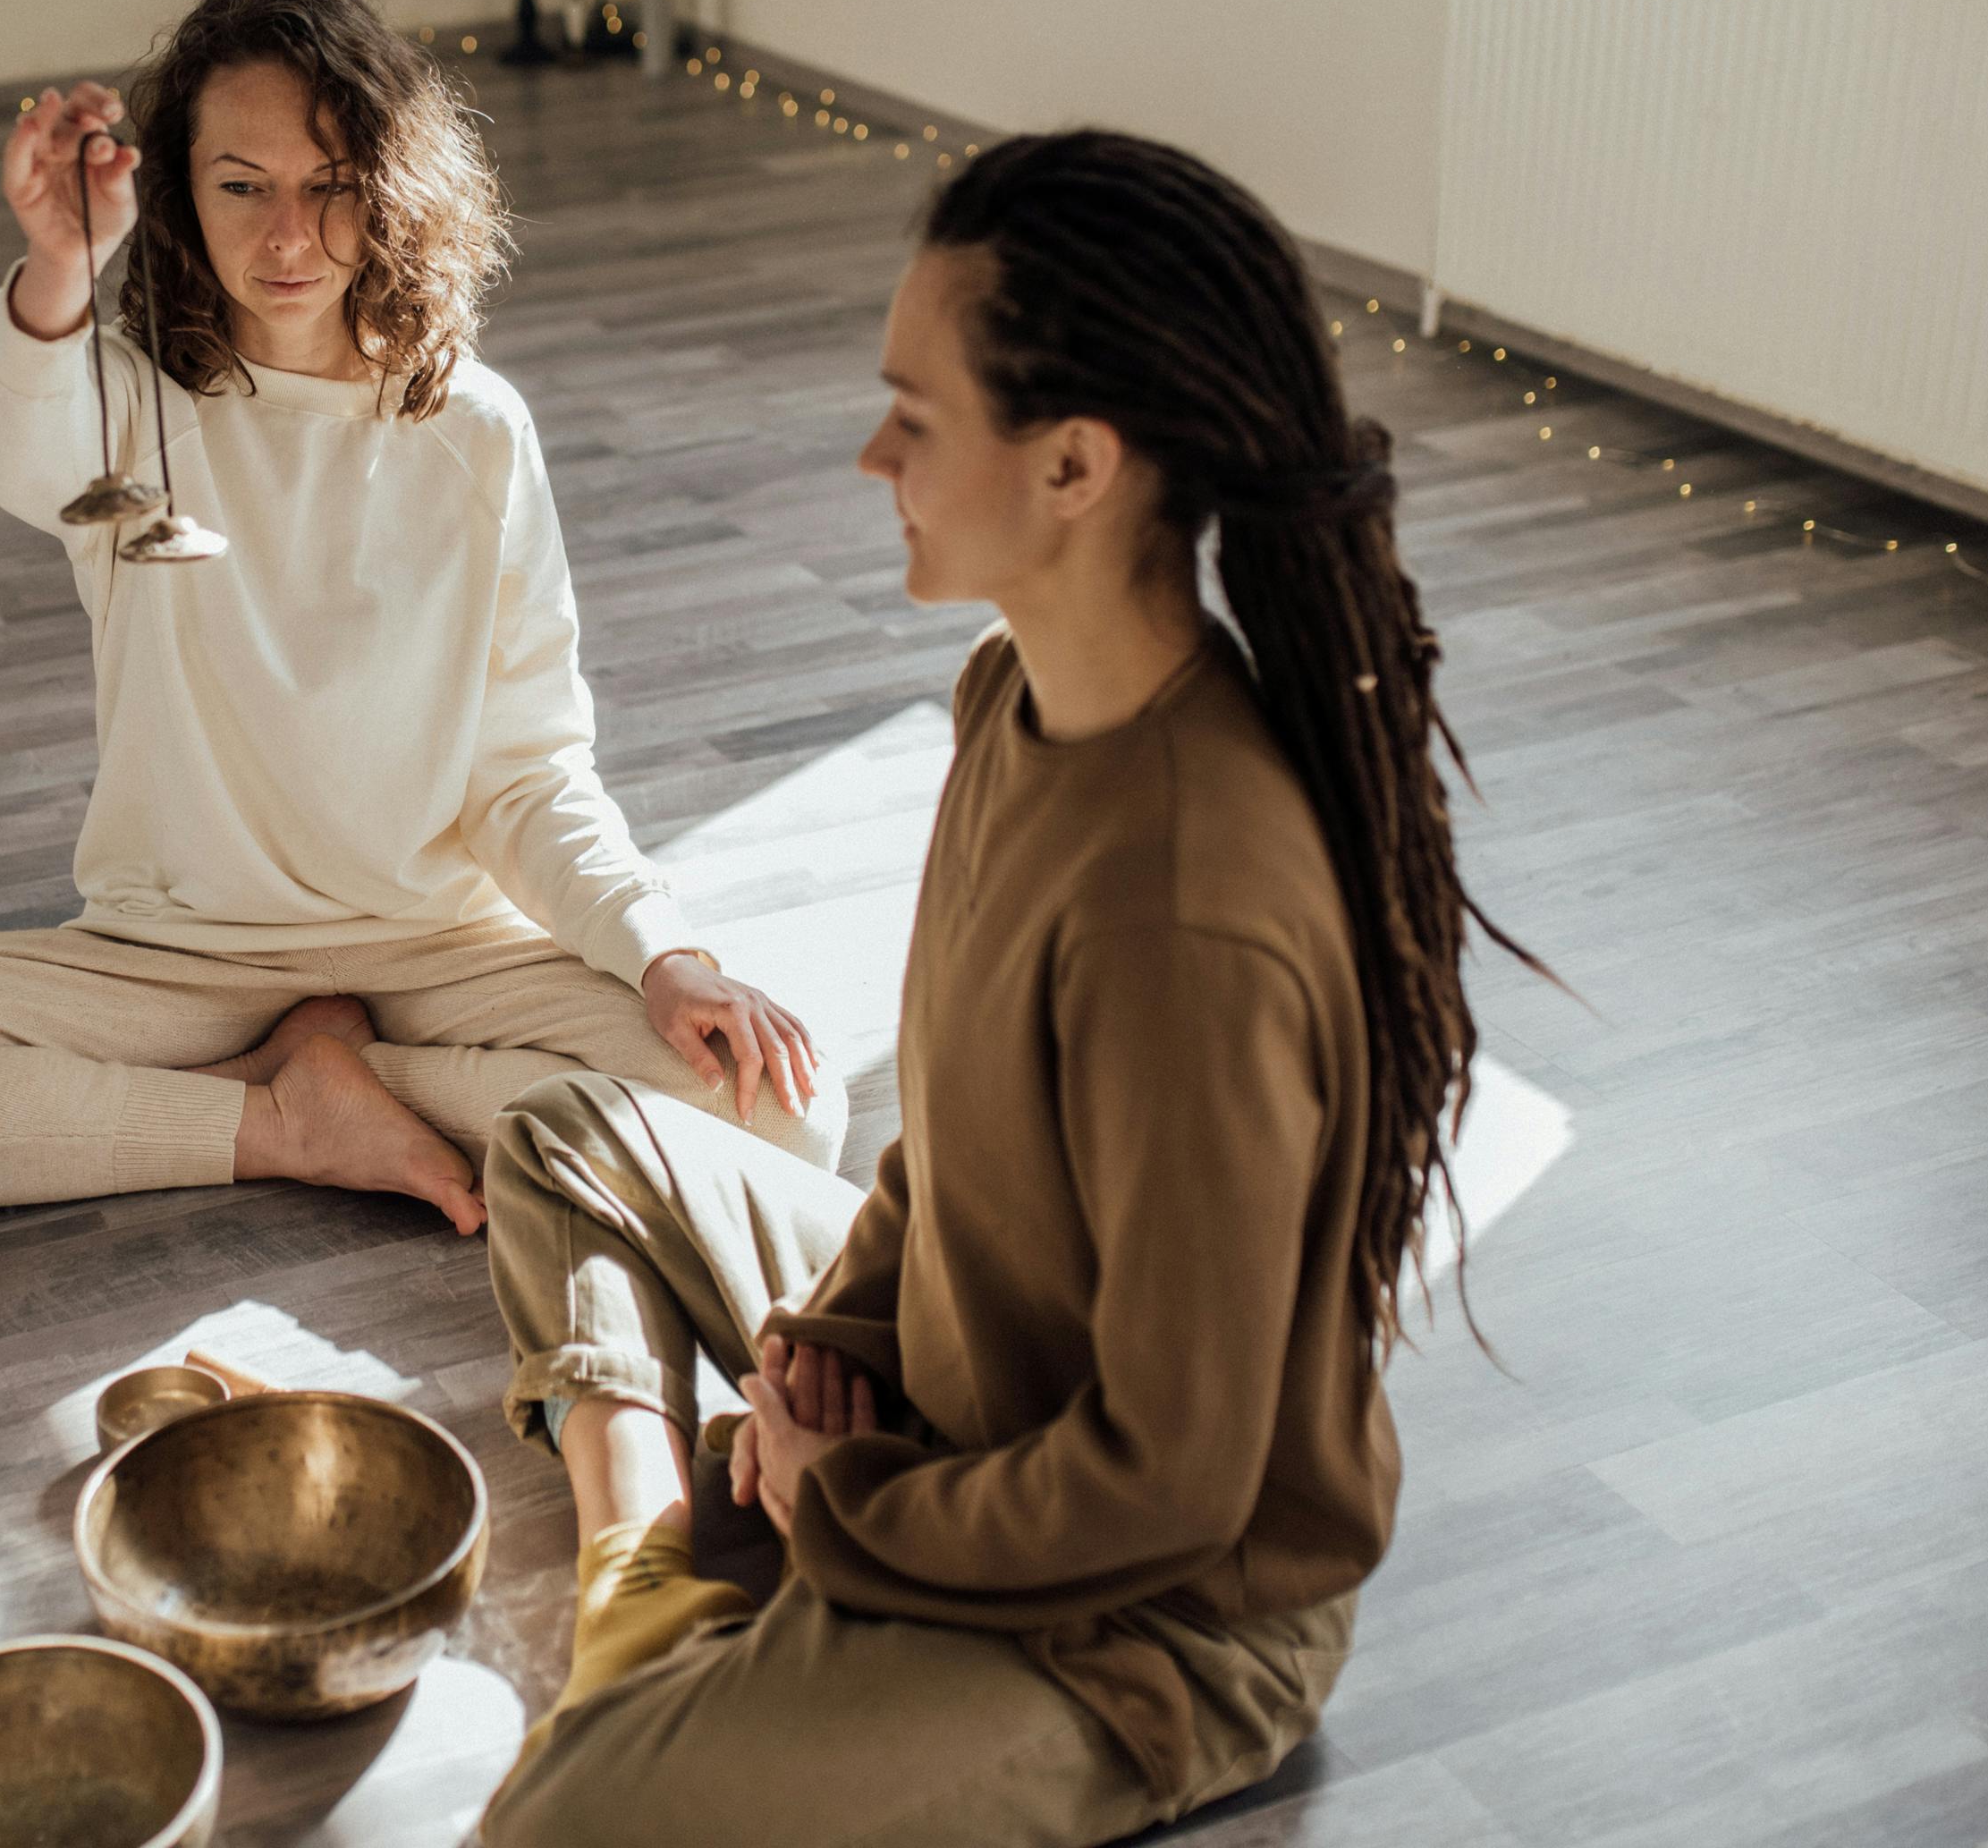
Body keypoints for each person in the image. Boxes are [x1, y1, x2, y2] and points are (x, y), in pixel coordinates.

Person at [481, 128, 1532, 1844]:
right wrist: (830, 1343)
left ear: (1073, 469)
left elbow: (1169, 1485)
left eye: (918, 413)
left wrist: (849, 1502)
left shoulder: (1185, 910)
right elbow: (953, 1150)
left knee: (559, 1828)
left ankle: (699, 1630)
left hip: (1149, 1621)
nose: (872, 449)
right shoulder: (1010, 697)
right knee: (571, 1141)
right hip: (962, 1398)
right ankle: (647, 1591)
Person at [0, 0, 840, 1233]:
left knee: (789, 1110)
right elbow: (10, 445)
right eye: (242, 186)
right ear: (182, 195)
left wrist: (659, 951)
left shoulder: (476, 433)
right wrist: (60, 261)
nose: (288, 238)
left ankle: (351, 1080)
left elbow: (528, 773)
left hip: (442, 952)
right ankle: (278, 1116)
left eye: (331, 186)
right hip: (181, 959)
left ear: (395, 189)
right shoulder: (131, 411)